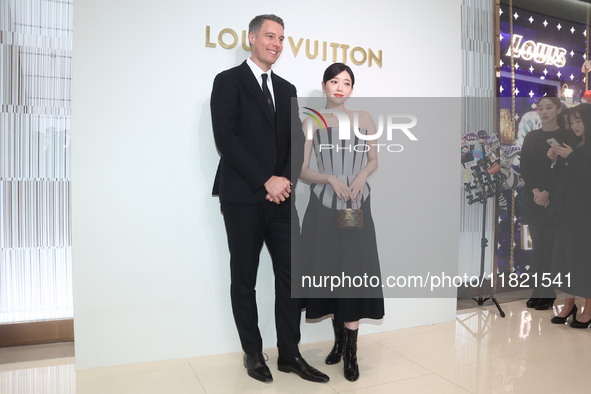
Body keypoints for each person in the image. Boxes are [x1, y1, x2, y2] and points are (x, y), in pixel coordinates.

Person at [210, 14, 328, 383]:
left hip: (282, 200)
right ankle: (253, 353)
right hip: (242, 197)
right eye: (270, 36)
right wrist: (266, 180)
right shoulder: (228, 82)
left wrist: (285, 183)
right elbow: (226, 139)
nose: (276, 43)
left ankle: (290, 353)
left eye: (281, 38)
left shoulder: (288, 88)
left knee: (293, 277)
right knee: (243, 278)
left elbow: (296, 142)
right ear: (252, 38)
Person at [299, 63, 384, 382]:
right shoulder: (311, 120)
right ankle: (338, 342)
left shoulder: (365, 118)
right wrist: (330, 178)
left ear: (352, 89)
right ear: (323, 85)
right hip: (324, 205)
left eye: (346, 82)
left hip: (357, 203)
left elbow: (374, 159)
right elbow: (301, 169)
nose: (340, 87)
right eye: (334, 81)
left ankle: (351, 354)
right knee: (330, 271)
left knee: (354, 273)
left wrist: (362, 174)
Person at [520, 96, 573, 310]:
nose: (544, 111)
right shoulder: (532, 136)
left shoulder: (566, 136)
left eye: (549, 107)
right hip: (534, 199)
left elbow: (566, 170)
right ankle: (537, 290)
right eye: (540, 108)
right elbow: (525, 167)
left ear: (558, 109)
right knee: (538, 247)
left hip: (556, 200)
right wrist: (536, 191)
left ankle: (549, 292)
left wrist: (548, 192)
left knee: (551, 248)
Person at [547, 103, 591, 328]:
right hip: (565, 212)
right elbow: (562, 180)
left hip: (584, 215)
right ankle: (568, 304)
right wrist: (556, 160)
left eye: (578, 121)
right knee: (565, 260)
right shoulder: (573, 145)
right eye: (572, 122)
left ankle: (589, 309)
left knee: (583, 261)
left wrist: (571, 157)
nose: (574, 126)